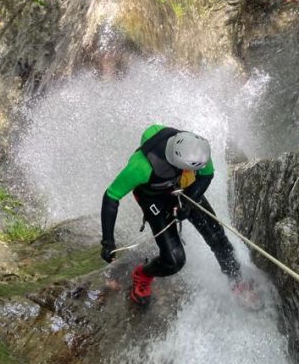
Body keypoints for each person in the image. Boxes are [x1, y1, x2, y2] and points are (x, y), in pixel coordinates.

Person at [100, 124, 241, 305]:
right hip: (154, 198)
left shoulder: (197, 149)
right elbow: (111, 197)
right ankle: (142, 274)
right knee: (174, 260)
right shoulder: (141, 167)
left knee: (217, 236)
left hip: (184, 189)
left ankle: (236, 279)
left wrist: (188, 203)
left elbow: (206, 175)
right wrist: (108, 241)